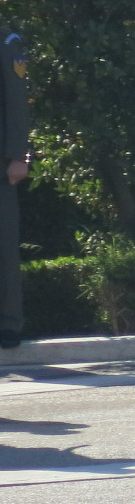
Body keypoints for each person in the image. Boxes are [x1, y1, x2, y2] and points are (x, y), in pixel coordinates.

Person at [0, 18, 28, 348]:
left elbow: (17, 99)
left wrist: (18, 155)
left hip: (2, 163)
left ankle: (7, 324)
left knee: (4, 246)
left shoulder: (7, 41)